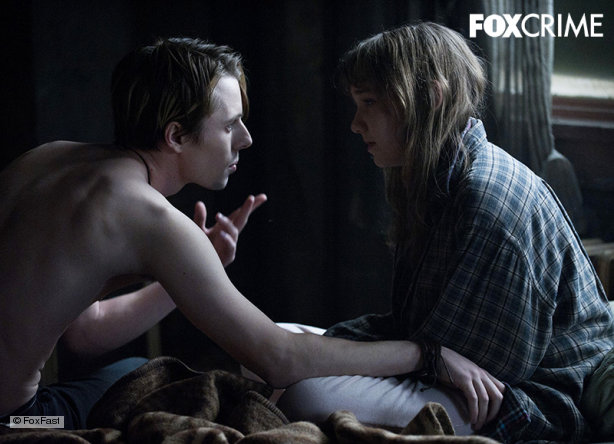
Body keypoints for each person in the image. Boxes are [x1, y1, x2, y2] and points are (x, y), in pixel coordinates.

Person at [0, 37, 502, 430]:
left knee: (126, 370)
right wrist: (427, 353)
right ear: (176, 135)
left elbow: (84, 331)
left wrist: (191, 271)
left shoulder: (43, 159)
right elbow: (278, 359)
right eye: (230, 125)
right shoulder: (150, 217)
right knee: (164, 386)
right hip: (17, 422)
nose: (246, 139)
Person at [274, 22, 614, 442]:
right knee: (275, 346)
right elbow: (420, 338)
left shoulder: (486, 202)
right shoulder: (430, 177)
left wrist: (330, 361)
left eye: (370, 102)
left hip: (521, 395)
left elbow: (478, 370)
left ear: (431, 98)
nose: (356, 124)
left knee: (305, 395)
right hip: (441, 364)